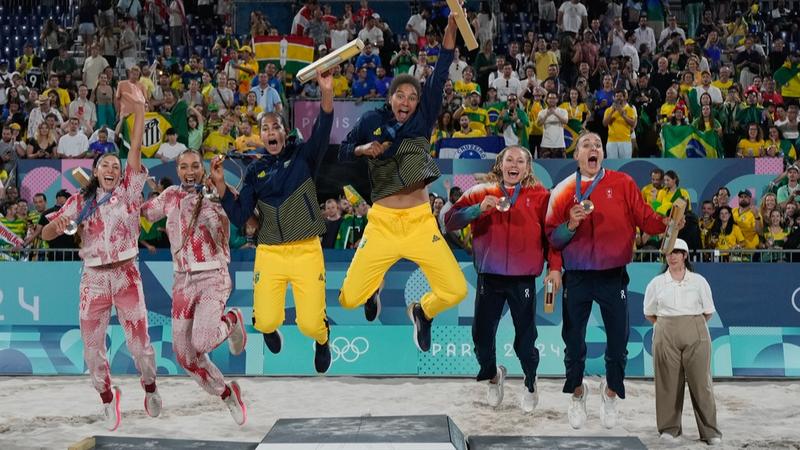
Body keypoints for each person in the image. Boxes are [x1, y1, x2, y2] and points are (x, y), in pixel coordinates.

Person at [338, 12, 467, 352]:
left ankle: (423, 311)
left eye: (412, 97)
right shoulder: (369, 120)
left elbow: (439, 73)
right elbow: (342, 153)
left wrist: (452, 27)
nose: (407, 101)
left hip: (420, 224)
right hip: (381, 224)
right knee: (349, 299)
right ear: (391, 97)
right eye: (401, 96)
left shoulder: (423, 120)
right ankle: (373, 287)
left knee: (456, 290)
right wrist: (363, 148)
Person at [41, 81, 160, 431]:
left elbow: (135, 146)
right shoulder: (80, 202)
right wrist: (60, 223)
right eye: (105, 164)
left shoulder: (129, 189)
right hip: (93, 279)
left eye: (115, 164)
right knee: (92, 352)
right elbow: (49, 234)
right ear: (95, 171)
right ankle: (109, 398)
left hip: (126, 276)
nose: (111, 168)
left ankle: (149, 385)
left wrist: (138, 109)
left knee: (141, 348)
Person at [544, 132, 676, 430]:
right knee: (573, 340)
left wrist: (668, 223)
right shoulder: (563, 190)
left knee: (618, 341)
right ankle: (577, 394)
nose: (593, 149)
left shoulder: (623, 183)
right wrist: (571, 225)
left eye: (598, 146)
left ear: (603, 154)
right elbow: (553, 238)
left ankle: (611, 393)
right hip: (576, 276)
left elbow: (645, 219)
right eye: (586, 145)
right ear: (576, 155)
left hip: (612, 276)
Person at [211, 69, 334, 373]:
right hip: (269, 252)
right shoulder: (255, 172)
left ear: (284, 130)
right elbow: (240, 217)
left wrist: (327, 92)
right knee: (264, 320)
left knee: (310, 324)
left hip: (306, 250)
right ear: (261, 136)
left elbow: (323, 127)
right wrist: (222, 188)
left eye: (275, 126)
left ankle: (322, 340)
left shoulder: (304, 156)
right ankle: (270, 329)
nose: (270, 132)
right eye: (265, 128)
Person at [445, 146, 562, 412]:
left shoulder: (542, 196)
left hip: (523, 281)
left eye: (520, 161)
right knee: (481, 338)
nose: (514, 164)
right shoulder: (480, 192)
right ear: (500, 164)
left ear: (527, 168)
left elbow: (553, 238)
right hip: (490, 278)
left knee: (525, 340)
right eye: (509, 159)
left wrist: (554, 267)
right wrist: (476, 210)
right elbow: (450, 221)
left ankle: (530, 382)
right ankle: (494, 376)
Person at [141, 149, 248, 425]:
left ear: (203, 168)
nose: (190, 172)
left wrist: (222, 189)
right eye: (184, 167)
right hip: (181, 282)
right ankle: (226, 392)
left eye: (195, 166)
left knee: (202, 341)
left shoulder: (218, 192)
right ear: (177, 171)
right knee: (186, 356)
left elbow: (245, 219)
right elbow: (144, 214)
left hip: (213, 275)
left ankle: (233, 320)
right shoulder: (171, 196)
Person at [644, 238, 722, 445]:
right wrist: (666, 326)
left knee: (701, 383)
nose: (672, 256)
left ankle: (710, 432)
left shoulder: (698, 281)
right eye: (669, 252)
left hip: (695, 331)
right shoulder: (657, 283)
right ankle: (669, 429)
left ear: (685, 255)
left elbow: (708, 311)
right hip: (665, 332)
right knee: (667, 383)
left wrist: (690, 325)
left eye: (677, 252)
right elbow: (649, 312)